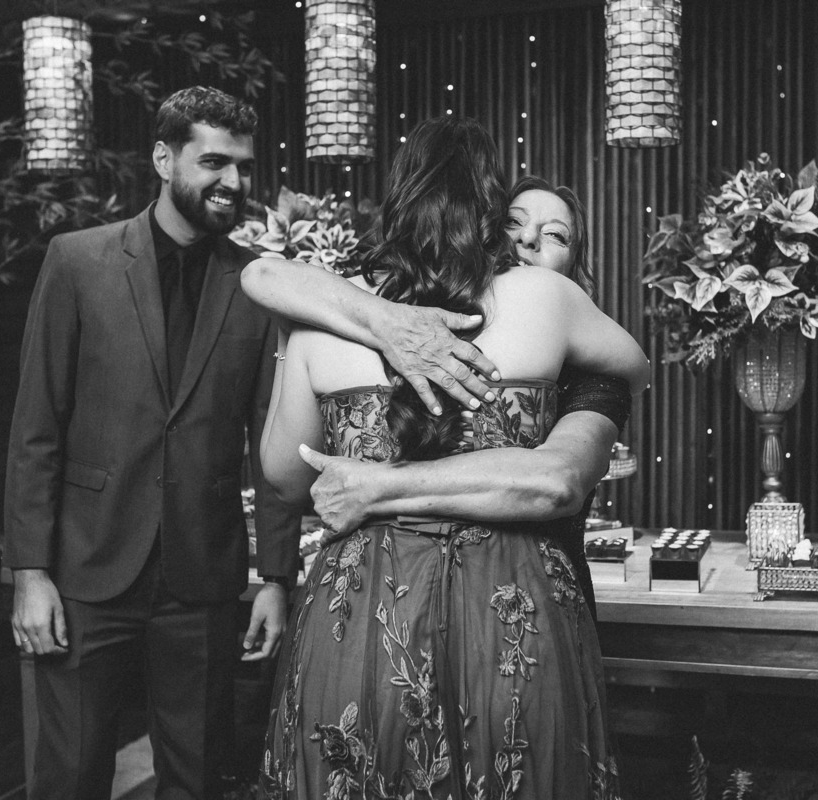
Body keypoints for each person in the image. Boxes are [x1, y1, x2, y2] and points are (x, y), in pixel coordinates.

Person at [254, 115, 645, 799]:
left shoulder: (322, 317)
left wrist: (299, 340)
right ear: (491, 209)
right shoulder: (546, 297)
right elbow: (634, 367)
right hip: (510, 607)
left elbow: (285, 477)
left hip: (359, 612)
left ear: (397, 199)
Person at [3, 86, 299, 800]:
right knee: (69, 777)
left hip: (202, 578)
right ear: (164, 159)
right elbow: (36, 427)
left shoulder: (259, 283)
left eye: (244, 166)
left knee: (196, 780)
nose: (233, 181)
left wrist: (276, 577)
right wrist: (30, 574)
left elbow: (271, 440)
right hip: (84, 570)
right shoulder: (77, 261)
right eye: (214, 162)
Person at [241, 175, 633, 618]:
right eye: (512, 222)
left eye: (556, 235)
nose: (527, 239)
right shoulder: (429, 340)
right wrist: (379, 320)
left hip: (532, 605)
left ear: (575, 270)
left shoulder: (596, 378)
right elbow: (262, 275)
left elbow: (556, 483)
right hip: (383, 599)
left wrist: (374, 487)